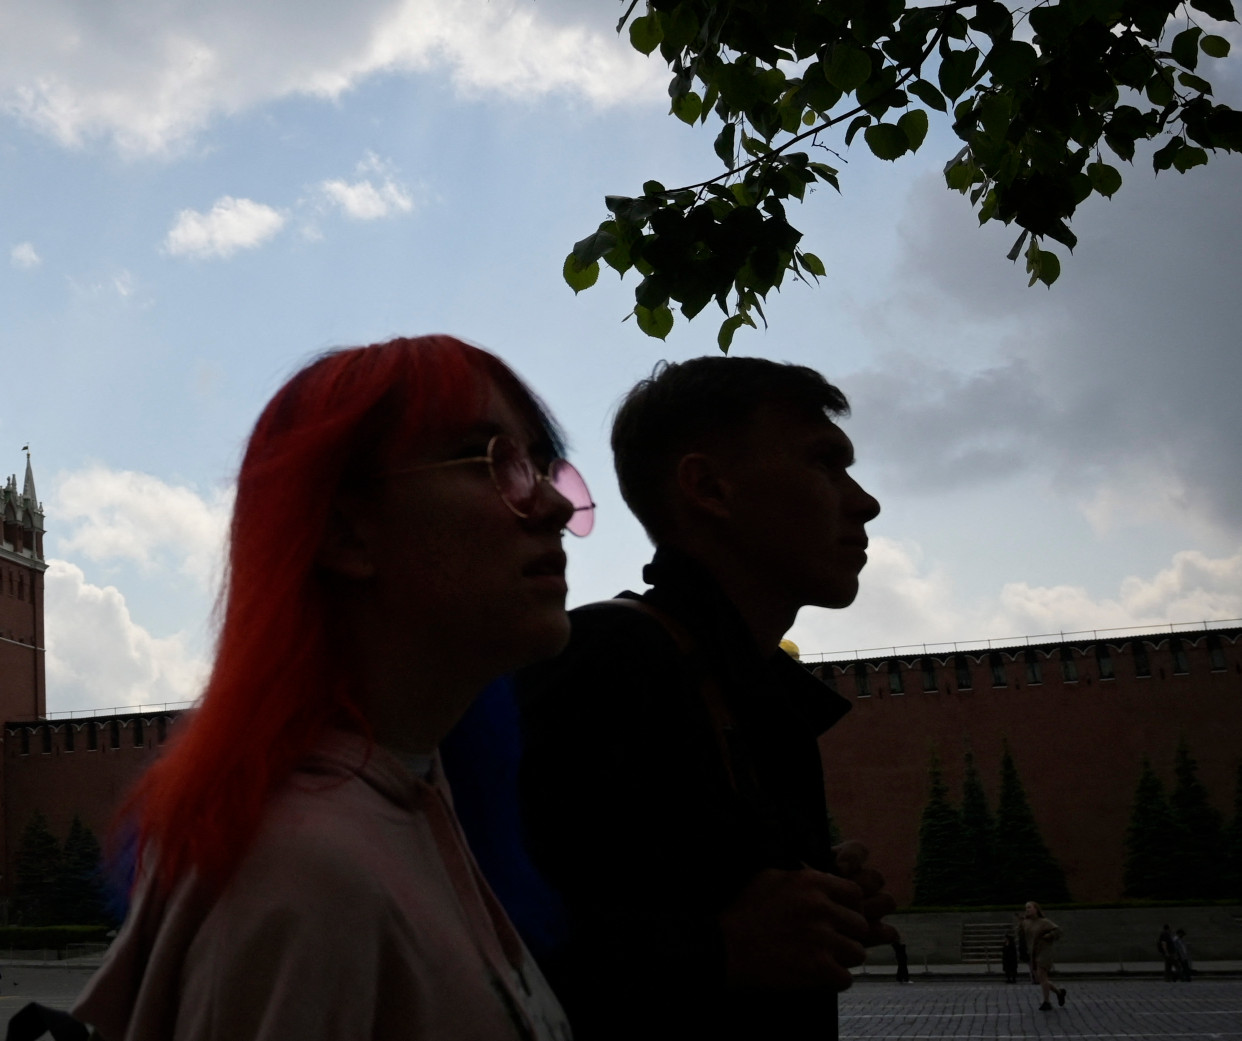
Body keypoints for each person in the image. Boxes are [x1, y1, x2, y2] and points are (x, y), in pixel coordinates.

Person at [73, 336, 588, 1040]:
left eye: (538, 464)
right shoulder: (302, 870)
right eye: (492, 459)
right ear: (347, 531)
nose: (555, 505)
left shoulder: (414, 797)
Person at [508, 356, 898, 1038]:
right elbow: (496, 949)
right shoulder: (608, 666)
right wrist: (719, 950)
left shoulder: (750, 686)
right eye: (825, 463)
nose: (864, 501)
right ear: (709, 488)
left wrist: (813, 905)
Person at [1019, 901, 1066, 1010]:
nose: (1027, 910)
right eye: (1026, 908)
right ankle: (1059, 992)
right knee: (1040, 978)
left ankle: (1046, 1001)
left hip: (1044, 952)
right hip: (1033, 952)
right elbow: (1022, 936)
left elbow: (1058, 931)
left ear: (1036, 909)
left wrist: (1049, 936)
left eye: (1029, 907)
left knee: (1042, 975)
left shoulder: (1044, 922)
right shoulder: (1026, 922)